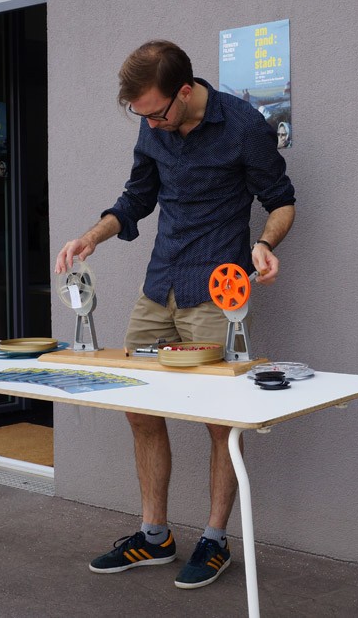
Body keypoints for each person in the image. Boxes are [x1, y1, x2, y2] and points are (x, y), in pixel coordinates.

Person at [55, 40, 295, 590]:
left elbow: (282, 199)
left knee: (221, 422)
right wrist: (92, 237)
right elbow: (136, 198)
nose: (150, 125)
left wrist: (264, 244)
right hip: (159, 285)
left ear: (184, 92)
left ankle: (214, 540)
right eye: (141, 115)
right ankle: (154, 535)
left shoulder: (244, 126)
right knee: (138, 408)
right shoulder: (153, 126)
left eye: (156, 113)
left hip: (216, 292)